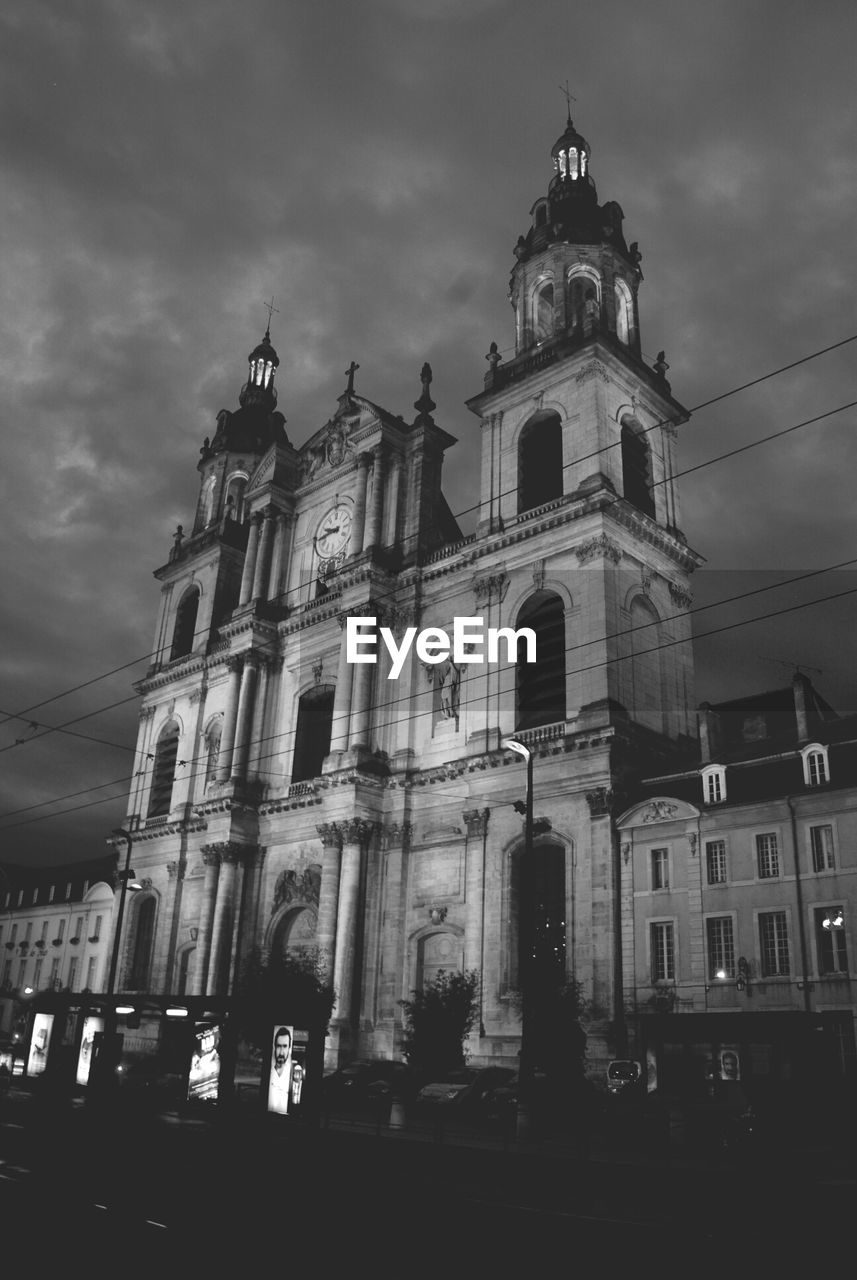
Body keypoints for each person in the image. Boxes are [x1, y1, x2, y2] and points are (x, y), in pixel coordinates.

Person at [268, 1026, 293, 1115]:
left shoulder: (291, 1074)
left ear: (289, 1048)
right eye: (279, 1046)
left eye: (285, 1046)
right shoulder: (269, 1072)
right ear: (274, 1047)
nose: (281, 1052)